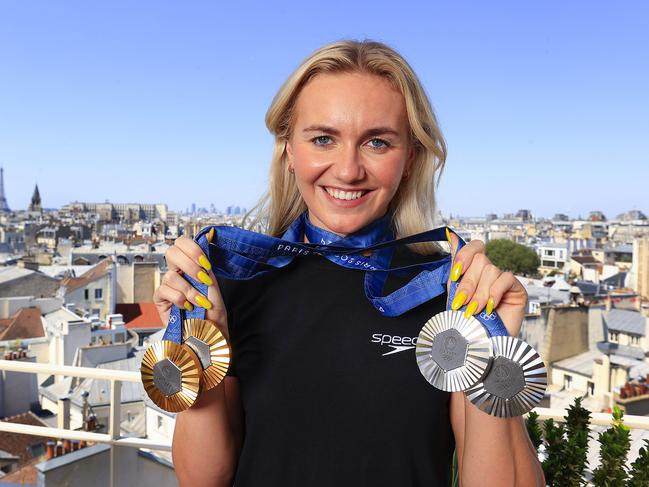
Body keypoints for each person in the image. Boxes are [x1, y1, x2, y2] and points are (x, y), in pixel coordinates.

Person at [153, 40, 545, 487]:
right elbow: (204, 480)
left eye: (377, 142)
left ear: (410, 156)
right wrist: (203, 346)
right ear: (287, 148)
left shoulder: (449, 291)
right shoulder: (234, 287)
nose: (348, 170)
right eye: (323, 139)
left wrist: (494, 351)